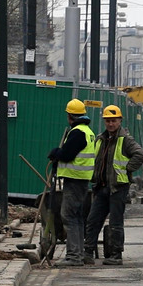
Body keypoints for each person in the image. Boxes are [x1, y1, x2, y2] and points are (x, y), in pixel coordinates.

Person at [84, 105, 143, 265]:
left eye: (113, 121)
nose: (110, 124)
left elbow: (140, 155)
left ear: (119, 121)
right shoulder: (100, 139)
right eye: (108, 121)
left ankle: (116, 255)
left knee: (115, 223)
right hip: (102, 186)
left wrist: (127, 169)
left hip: (118, 187)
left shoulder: (125, 140)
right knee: (93, 220)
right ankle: (88, 252)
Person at [47, 98, 97, 267]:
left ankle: (74, 256)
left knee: (68, 215)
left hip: (75, 180)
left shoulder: (77, 132)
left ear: (70, 116)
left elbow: (68, 154)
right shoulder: (88, 131)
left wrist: (56, 152)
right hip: (81, 180)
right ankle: (79, 254)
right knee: (76, 217)